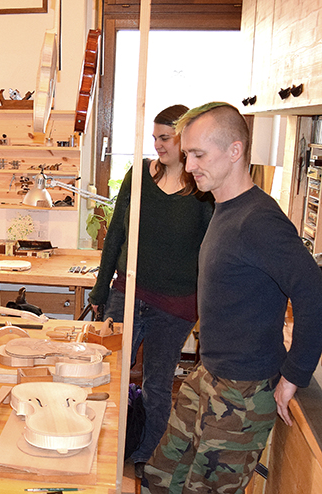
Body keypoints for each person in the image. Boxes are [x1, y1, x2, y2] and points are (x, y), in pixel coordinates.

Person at [142, 102, 322, 493]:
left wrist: (295, 374)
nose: (189, 166)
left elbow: (314, 290)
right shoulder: (224, 207)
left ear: (235, 151)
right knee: (159, 478)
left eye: (198, 155)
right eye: (187, 154)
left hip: (244, 390)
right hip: (208, 374)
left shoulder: (259, 220)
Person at [88, 105, 213, 475]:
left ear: (184, 140)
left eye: (165, 138)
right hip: (126, 293)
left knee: (158, 387)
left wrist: (209, 310)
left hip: (175, 307)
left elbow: (209, 252)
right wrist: (99, 292)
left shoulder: (201, 190)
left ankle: (147, 460)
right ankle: (99, 446)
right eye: (154, 137)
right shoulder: (139, 175)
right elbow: (116, 234)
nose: (157, 145)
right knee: (104, 374)